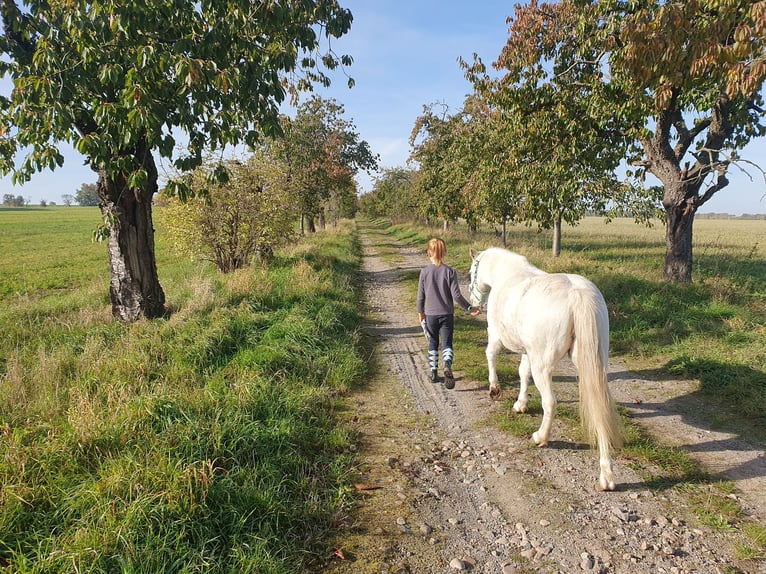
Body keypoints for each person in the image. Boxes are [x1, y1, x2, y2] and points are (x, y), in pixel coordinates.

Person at [417, 237, 481, 389]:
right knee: (447, 343)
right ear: (445, 252)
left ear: (428, 253)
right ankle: (447, 365)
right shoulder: (450, 272)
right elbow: (457, 296)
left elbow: (420, 296)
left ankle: (433, 373)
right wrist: (469, 308)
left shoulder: (424, 273)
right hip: (446, 314)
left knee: (433, 342)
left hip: (430, 314)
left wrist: (421, 312)